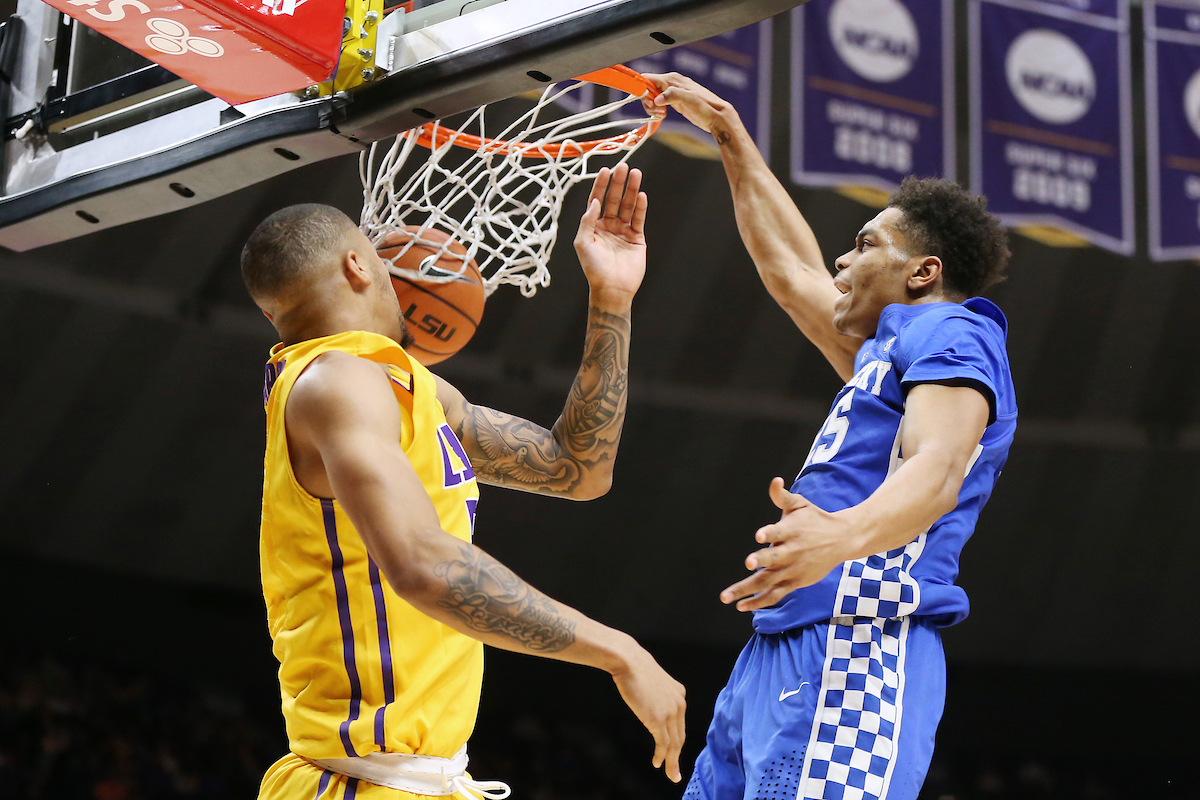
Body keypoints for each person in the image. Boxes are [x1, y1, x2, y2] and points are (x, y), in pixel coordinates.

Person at [240, 163, 686, 800]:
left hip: (429, 779)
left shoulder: (407, 389)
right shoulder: (336, 381)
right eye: (379, 258)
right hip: (358, 782)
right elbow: (424, 566)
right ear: (358, 266)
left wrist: (610, 299)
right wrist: (619, 651)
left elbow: (578, 469)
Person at [647, 75, 1016, 800]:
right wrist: (726, 130)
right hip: (778, 646)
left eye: (864, 244)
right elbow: (790, 272)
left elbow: (940, 466)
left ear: (924, 272)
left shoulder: (955, 331)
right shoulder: (884, 350)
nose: (842, 262)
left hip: (860, 640)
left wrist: (839, 536)